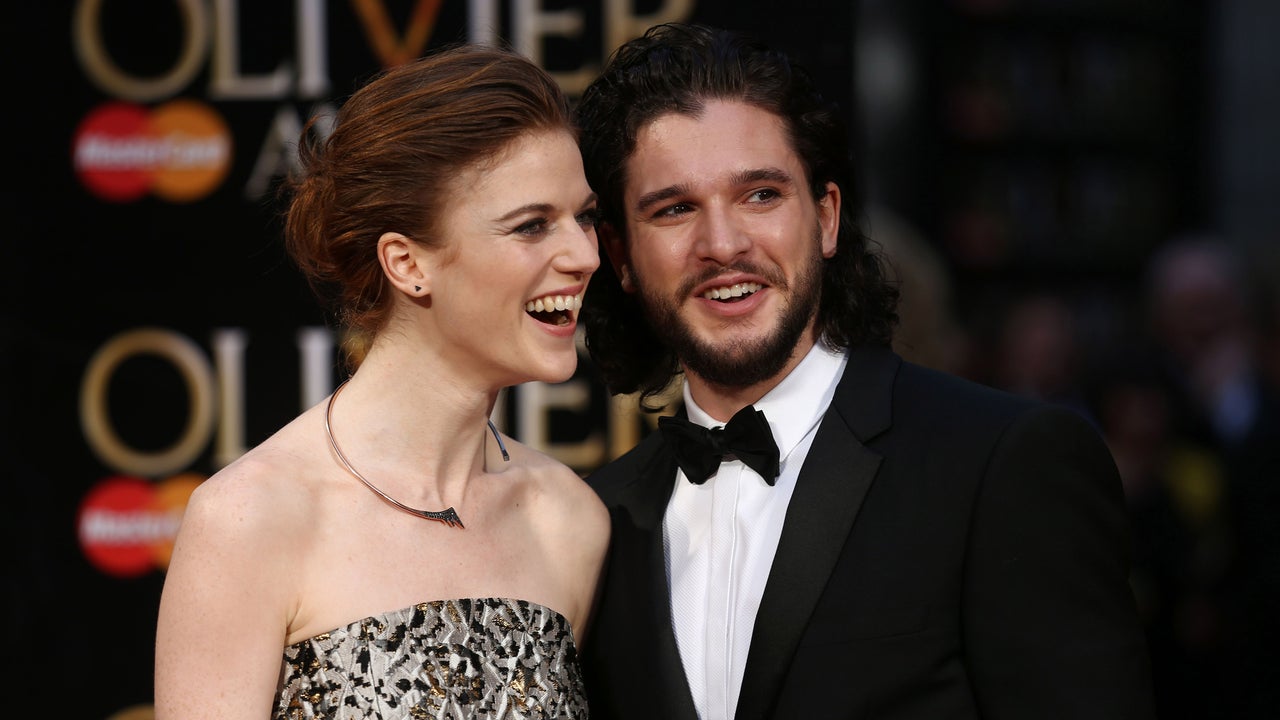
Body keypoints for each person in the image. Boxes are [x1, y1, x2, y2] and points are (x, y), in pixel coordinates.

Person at [574, 23, 1154, 720]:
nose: (722, 244)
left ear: (825, 218)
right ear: (622, 256)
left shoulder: (1000, 464)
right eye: (673, 209)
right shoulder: (594, 521)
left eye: (761, 195)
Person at [154, 44, 609, 720]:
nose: (583, 255)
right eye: (532, 226)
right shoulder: (253, 519)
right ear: (406, 264)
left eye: (584, 217)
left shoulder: (567, 520)